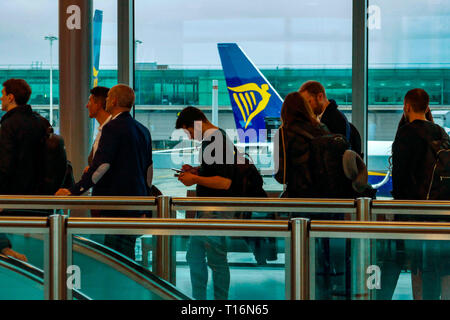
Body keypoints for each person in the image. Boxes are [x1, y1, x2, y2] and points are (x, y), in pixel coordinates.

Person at [56, 84, 153, 260]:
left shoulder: (112, 128)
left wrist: (74, 191)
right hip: (137, 202)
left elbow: (101, 166)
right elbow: (148, 171)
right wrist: (145, 201)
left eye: (108, 98)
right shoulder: (142, 130)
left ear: (114, 101)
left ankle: (117, 286)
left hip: (115, 203)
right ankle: (128, 285)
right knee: (127, 253)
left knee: (114, 256)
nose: (106, 101)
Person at [388, 88, 450, 300]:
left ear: (406, 106)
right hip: (441, 213)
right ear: (427, 106)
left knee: (418, 266)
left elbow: (400, 179)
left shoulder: (405, 134)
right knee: (442, 265)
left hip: (414, 214)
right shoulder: (441, 132)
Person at [175, 106, 236, 300]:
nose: (191, 137)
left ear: (196, 123)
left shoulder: (215, 139)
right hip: (210, 210)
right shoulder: (217, 137)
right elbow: (216, 171)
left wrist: (195, 179)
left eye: (189, 131)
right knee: (195, 255)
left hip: (216, 210)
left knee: (215, 260)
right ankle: (201, 299)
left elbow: (224, 182)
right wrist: (197, 170)